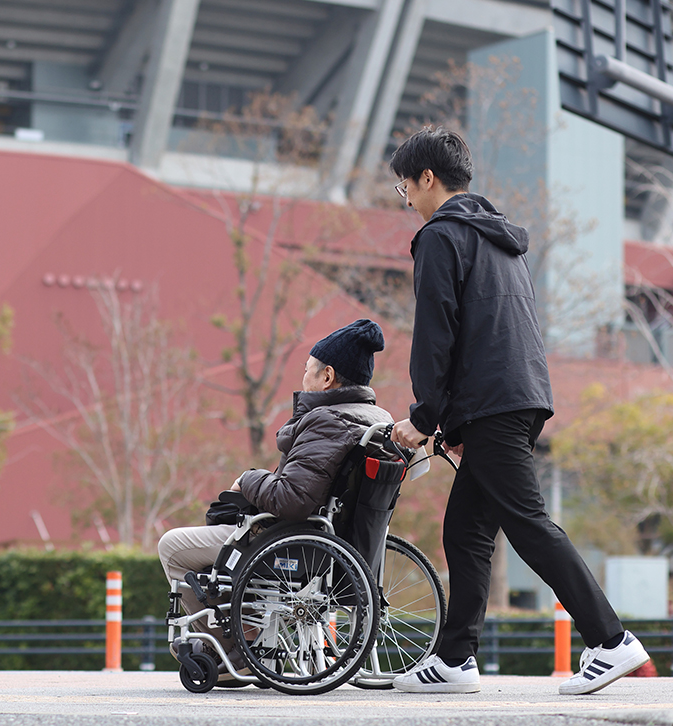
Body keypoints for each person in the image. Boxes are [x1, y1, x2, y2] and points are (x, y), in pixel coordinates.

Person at [388, 125, 648, 695]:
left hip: (493, 403)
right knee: (465, 530)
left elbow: (436, 335)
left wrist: (425, 417)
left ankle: (610, 640)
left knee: (527, 524)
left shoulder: (440, 237)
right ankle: (455, 659)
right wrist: (456, 420)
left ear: (427, 178)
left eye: (405, 187)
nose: (406, 200)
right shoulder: (499, 237)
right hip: (519, 396)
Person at [158, 318, 393, 675]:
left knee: (173, 547)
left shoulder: (328, 420)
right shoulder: (376, 419)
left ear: (327, 377)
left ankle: (231, 648)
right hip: (333, 547)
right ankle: (243, 640)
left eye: (307, 369)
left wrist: (248, 479)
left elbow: (292, 499)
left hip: (290, 545)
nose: (303, 377)